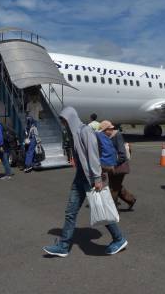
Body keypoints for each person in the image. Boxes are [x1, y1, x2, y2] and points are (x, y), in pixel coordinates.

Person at [42, 107, 128, 257]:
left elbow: (93, 154)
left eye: (64, 120)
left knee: (101, 208)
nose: (63, 123)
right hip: (80, 177)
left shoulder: (85, 131)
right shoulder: (74, 133)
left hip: (90, 177)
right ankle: (63, 246)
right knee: (71, 211)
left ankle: (119, 239)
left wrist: (96, 178)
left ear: (71, 119)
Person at [98, 120, 136, 209]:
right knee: (115, 186)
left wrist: (113, 164)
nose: (102, 134)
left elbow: (122, 154)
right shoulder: (106, 137)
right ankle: (131, 199)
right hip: (111, 166)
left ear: (108, 129)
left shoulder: (117, 135)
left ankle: (113, 211)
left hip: (119, 166)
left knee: (113, 189)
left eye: (103, 131)